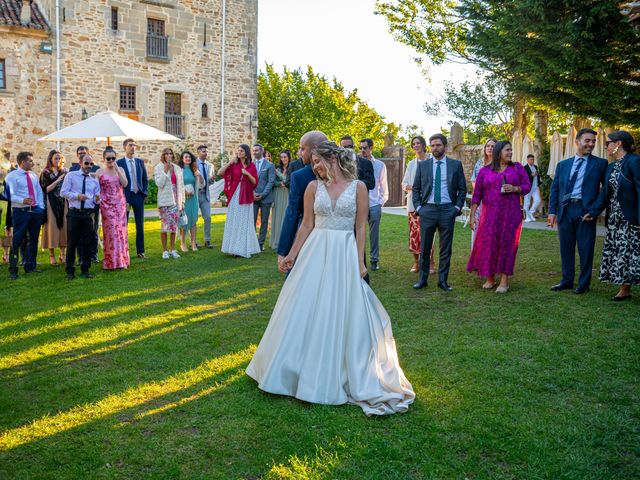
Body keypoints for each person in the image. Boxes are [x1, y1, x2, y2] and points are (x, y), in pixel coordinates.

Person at [246, 141, 415, 416]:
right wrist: (291, 254)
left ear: (332, 157)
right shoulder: (313, 187)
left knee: (342, 309)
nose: (314, 167)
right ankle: (292, 370)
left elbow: (360, 227)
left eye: (317, 161)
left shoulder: (358, 187)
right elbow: (306, 224)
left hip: (345, 251)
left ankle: (342, 369)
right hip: (315, 252)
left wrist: (360, 262)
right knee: (306, 308)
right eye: (311, 163)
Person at [548, 128, 607, 295]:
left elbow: (605, 191)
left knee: (586, 248)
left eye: (593, 141)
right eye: (587, 141)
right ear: (577, 141)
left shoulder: (600, 164)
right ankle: (567, 281)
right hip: (565, 210)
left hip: (585, 211)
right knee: (565, 247)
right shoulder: (563, 165)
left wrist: (595, 211)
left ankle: (584, 283)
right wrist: (552, 211)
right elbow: (555, 190)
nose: (591, 144)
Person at [467, 140, 531, 293]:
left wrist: (515, 188)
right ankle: (490, 278)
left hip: (511, 215)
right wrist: (472, 216)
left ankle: (504, 281)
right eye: (507, 150)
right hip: (489, 215)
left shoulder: (517, 168)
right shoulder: (484, 171)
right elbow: (477, 195)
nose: (510, 153)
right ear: (498, 152)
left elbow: (527, 186)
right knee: (489, 244)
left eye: (511, 150)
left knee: (507, 246)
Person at [412, 134, 467, 291]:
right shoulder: (423, 165)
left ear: (445, 146)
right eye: (432, 145)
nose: (435, 148)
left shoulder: (455, 165)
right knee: (425, 248)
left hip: (447, 210)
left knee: (445, 248)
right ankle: (422, 279)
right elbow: (416, 188)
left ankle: (443, 281)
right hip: (427, 210)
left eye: (438, 145)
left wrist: (456, 208)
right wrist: (419, 208)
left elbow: (462, 189)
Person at [598, 130, 640, 301]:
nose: (606, 146)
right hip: (615, 218)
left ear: (618, 144)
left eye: (608, 143)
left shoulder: (635, 161)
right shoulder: (610, 167)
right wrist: (592, 212)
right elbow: (605, 195)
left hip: (632, 217)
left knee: (635, 253)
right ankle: (625, 289)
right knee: (622, 253)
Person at [277, 130, 328, 270]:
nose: (299, 152)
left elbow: (292, 213)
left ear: (315, 149)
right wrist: (284, 250)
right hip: (309, 239)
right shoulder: (299, 176)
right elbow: (292, 213)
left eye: (303, 148)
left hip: (329, 241)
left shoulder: (343, 175)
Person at [61, 153, 101, 280]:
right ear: (80, 163)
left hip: (89, 214)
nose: (89, 166)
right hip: (74, 213)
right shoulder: (71, 176)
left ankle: (86, 269)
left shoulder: (94, 180)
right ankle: (70, 271)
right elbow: (63, 193)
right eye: (86, 163)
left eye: (91, 164)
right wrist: (77, 196)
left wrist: (98, 199)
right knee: (72, 242)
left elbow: (96, 199)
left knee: (87, 242)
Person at [5, 152, 45, 280]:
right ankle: (13, 269)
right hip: (20, 212)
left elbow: (39, 191)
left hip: (35, 212)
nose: (33, 163)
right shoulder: (12, 176)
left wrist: (41, 207)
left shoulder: (33, 175)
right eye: (30, 161)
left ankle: (31, 266)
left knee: (33, 239)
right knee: (17, 240)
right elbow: (9, 195)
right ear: (23, 162)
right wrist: (22, 200)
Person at [219, 145, 260, 258]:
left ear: (246, 153)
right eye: (238, 151)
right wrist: (230, 163)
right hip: (235, 194)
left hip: (246, 195)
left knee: (244, 221)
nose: (239, 152)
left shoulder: (251, 166)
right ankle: (232, 248)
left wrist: (247, 174)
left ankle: (242, 248)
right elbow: (220, 173)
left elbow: (255, 182)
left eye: (241, 151)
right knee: (234, 221)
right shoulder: (234, 165)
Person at [96, 147, 129, 270]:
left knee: (120, 232)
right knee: (111, 233)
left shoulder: (120, 169)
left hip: (120, 205)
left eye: (113, 158)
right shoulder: (100, 172)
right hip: (106, 205)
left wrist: (117, 170)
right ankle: (111, 262)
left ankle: (121, 260)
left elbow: (125, 184)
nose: (111, 160)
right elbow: (95, 189)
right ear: (104, 159)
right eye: (108, 158)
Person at [359, 138, 388, 271]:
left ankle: (374, 260)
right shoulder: (356, 163)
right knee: (358, 232)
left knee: (374, 234)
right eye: (360, 148)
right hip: (359, 204)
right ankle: (360, 260)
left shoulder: (380, 165)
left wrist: (380, 202)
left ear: (371, 148)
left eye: (365, 148)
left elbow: (383, 186)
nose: (362, 150)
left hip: (374, 204)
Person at [402, 136, 430, 273]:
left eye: (418, 143)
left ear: (424, 145)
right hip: (413, 205)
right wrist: (414, 187)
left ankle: (431, 263)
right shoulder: (411, 164)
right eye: (414, 143)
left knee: (428, 234)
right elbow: (404, 184)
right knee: (414, 234)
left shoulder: (431, 161)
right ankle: (416, 262)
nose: (416, 145)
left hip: (429, 204)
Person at [117, 138, 148, 258]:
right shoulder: (120, 163)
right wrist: (123, 197)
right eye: (130, 145)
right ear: (125, 147)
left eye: (134, 145)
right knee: (123, 225)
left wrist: (144, 193)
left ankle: (141, 251)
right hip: (126, 197)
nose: (133, 147)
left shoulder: (140, 162)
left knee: (140, 225)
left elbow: (145, 179)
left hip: (138, 196)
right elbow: (118, 182)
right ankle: (123, 251)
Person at [154, 148, 185, 259]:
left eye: (170, 153)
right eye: (166, 153)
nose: (168, 155)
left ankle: (172, 249)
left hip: (176, 199)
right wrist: (165, 171)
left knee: (173, 226)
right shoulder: (158, 167)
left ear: (172, 155)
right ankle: (164, 250)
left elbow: (181, 186)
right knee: (164, 226)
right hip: (164, 200)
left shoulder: (177, 168)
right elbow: (159, 184)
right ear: (163, 155)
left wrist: (182, 201)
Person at [39, 149, 68, 265]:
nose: (58, 160)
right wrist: (58, 181)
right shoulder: (45, 173)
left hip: (63, 202)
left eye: (60, 158)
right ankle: (51, 255)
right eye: (56, 158)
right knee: (52, 228)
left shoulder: (65, 171)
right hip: (51, 203)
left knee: (64, 228)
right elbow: (45, 190)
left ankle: (63, 254)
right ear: (50, 159)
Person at [470, 138, 497, 246]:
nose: (490, 148)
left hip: (494, 202)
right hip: (480, 201)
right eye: (488, 146)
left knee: (491, 229)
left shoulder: (500, 164)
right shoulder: (480, 163)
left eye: (493, 146)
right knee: (477, 228)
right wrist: (479, 192)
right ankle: (475, 257)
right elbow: (473, 180)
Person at [252, 144, 275, 251]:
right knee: (252, 220)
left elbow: (271, 181)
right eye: (253, 150)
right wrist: (253, 193)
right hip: (253, 197)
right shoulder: (251, 164)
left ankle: (260, 243)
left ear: (262, 151)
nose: (254, 152)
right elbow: (248, 181)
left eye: (256, 150)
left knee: (264, 221)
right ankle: (252, 242)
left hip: (266, 198)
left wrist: (262, 194)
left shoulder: (270, 165)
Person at [178, 151, 203, 252]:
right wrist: (184, 191)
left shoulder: (194, 169)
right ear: (182, 159)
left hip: (193, 199)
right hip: (184, 199)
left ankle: (193, 242)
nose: (188, 158)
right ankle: (182, 243)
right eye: (186, 157)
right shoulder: (179, 170)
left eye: (189, 157)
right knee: (184, 221)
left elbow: (202, 184)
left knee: (193, 221)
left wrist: (199, 175)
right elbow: (177, 184)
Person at [269, 149, 291, 250]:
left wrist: (284, 181)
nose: (283, 159)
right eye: (281, 157)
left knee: (285, 216)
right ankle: (276, 240)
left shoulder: (292, 167)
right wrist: (279, 183)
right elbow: (272, 182)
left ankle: (286, 240)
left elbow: (290, 180)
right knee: (277, 217)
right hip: (278, 193)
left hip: (287, 193)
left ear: (289, 157)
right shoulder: (276, 167)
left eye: (285, 157)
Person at [196, 145, 216, 248]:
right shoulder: (193, 164)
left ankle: (207, 240)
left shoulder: (211, 166)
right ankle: (193, 241)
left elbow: (210, 181)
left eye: (207, 151)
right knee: (193, 218)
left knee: (208, 217)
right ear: (198, 152)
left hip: (205, 194)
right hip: (194, 194)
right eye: (204, 151)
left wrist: (212, 180)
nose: (206, 153)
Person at [523, 154, 542, 222]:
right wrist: (532, 175)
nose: (532, 161)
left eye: (533, 159)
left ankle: (531, 212)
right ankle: (526, 217)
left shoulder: (535, 167)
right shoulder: (524, 168)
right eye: (531, 159)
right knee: (527, 202)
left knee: (538, 200)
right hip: (528, 187)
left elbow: (537, 176)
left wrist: (539, 183)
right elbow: (523, 178)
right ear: (527, 160)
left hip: (535, 187)